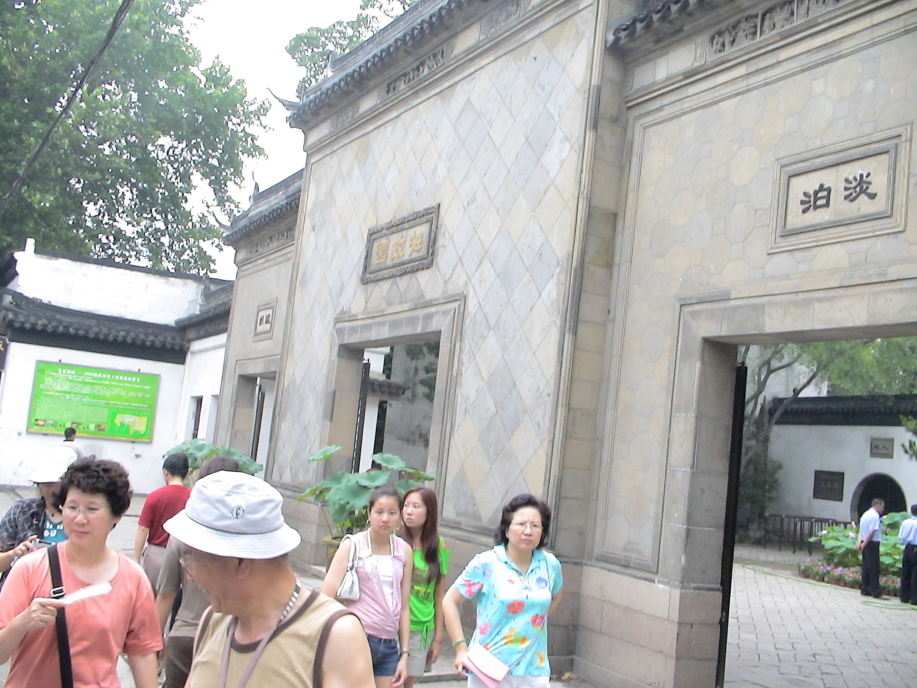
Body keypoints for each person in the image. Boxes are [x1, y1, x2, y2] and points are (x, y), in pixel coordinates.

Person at [164, 471, 374, 688]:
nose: (189, 575)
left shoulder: (334, 635)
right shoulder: (213, 622)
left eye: (191, 559)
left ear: (240, 562)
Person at [0, 459, 161, 688]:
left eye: (92, 509)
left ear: (116, 515)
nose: (80, 519)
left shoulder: (133, 578)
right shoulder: (30, 568)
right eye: (72, 507)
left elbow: (142, 652)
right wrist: (23, 622)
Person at [443, 493, 563, 688]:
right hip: (489, 666)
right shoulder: (486, 563)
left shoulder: (550, 565)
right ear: (506, 530)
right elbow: (450, 600)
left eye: (535, 526)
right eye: (521, 524)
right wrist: (460, 648)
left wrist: (532, 620)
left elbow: (555, 596)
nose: (528, 531)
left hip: (534, 668)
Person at [155, 455, 242, 688]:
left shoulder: (183, 532)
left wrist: (154, 642)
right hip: (233, 637)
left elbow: (166, 593)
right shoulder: (247, 537)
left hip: (186, 634)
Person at [322, 485, 413, 688]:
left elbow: (405, 606)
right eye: (379, 512)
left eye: (392, 513)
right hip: (357, 637)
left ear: (399, 516)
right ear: (369, 513)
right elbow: (326, 596)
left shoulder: (404, 551)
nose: (385, 519)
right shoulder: (352, 545)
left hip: (389, 642)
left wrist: (405, 653)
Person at [0, 445, 78, 588]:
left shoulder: (83, 518)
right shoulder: (22, 511)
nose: (53, 490)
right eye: (47, 484)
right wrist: (14, 554)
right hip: (22, 590)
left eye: (59, 484)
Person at [398, 487, 450, 688]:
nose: (409, 511)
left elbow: (440, 594)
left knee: (407, 682)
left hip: (421, 627)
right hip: (392, 623)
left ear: (429, 512)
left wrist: (438, 638)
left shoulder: (439, 546)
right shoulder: (394, 539)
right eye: (406, 506)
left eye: (416, 506)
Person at [134, 452, 190, 592]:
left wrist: (136, 559)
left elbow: (143, 529)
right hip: (183, 556)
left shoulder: (155, 496)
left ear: (166, 473)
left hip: (157, 554)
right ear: (186, 474)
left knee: (151, 597)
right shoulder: (193, 497)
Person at [857, 498, 885, 599]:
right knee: (874, 568)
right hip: (871, 543)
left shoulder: (865, 514)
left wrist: (860, 543)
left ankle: (865, 589)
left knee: (866, 567)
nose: (883, 509)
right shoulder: (874, 516)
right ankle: (875, 591)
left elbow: (861, 530)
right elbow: (872, 531)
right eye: (882, 507)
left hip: (864, 542)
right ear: (878, 505)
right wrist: (865, 543)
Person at [899, 504, 917, 605]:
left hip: (907, 547)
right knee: (915, 574)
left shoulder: (905, 522)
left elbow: (901, 537)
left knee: (905, 572)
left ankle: (904, 597)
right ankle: (914, 599)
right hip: (916, 548)